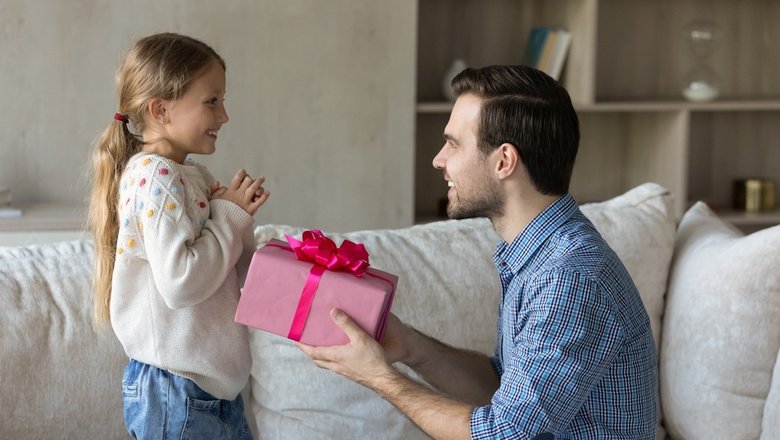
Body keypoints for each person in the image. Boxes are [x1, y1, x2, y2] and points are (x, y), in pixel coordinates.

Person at [298, 65, 657, 439]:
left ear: (504, 161)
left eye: (453, 143)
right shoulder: (537, 256)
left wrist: (378, 376)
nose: (439, 160)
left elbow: (503, 433)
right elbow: (506, 393)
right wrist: (412, 348)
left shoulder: (567, 277)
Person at [88, 32, 269, 439]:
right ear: (161, 110)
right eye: (212, 101)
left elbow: (229, 277)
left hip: (212, 390)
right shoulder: (155, 175)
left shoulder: (192, 177)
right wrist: (227, 218)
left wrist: (237, 220)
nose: (223, 116)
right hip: (176, 391)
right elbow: (181, 283)